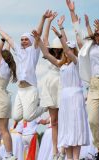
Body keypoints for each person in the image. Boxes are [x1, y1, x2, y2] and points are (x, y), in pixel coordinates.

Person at [32, 16, 90, 158]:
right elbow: (46, 53)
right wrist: (38, 39)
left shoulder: (77, 63)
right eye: (65, 49)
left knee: (75, 128)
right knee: (67, 129)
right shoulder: (61, 64)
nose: (66, 51)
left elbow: (70, 52)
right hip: (64, 98)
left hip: (75, 97)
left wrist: (60, 33)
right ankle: (68, 156)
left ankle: (75, 157)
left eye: (68, 48)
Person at [0, 10, 51, 123]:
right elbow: (9, 39)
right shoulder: (19, 51)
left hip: (30, 89)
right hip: (20, 90)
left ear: (30, 41)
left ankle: (46, 105)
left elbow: (37, 34)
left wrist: (43, 18)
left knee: (28, 117)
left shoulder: (34, 50)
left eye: (26, 39)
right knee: (16, 117)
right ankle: (38, 102)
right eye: (22, 39)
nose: (23, 41)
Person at [66, 0, 99, 158]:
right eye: (95, 33)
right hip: (93, 86)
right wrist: (72, 12)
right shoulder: (88, 47)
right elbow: (78, 32)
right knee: (94, 121)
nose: (97, 35)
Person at [0, 24, 17, 160]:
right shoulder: (6, 67)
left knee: (3, 130)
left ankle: (9, 154)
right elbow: (4, 49)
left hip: (1, 100)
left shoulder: (3, 66)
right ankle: (8, 154)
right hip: (3, 99)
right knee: (4, 129)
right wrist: (5, 41)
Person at [40, 12, 65, 160]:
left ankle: (62, 148)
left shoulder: (65, 55)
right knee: (53, 121)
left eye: (58, 48)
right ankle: (55, 151)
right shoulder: (49, 52)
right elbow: (44, 40)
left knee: (63, 120)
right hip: (49, 86)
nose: (56, 50)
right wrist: (48, 22)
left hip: (61, 85)